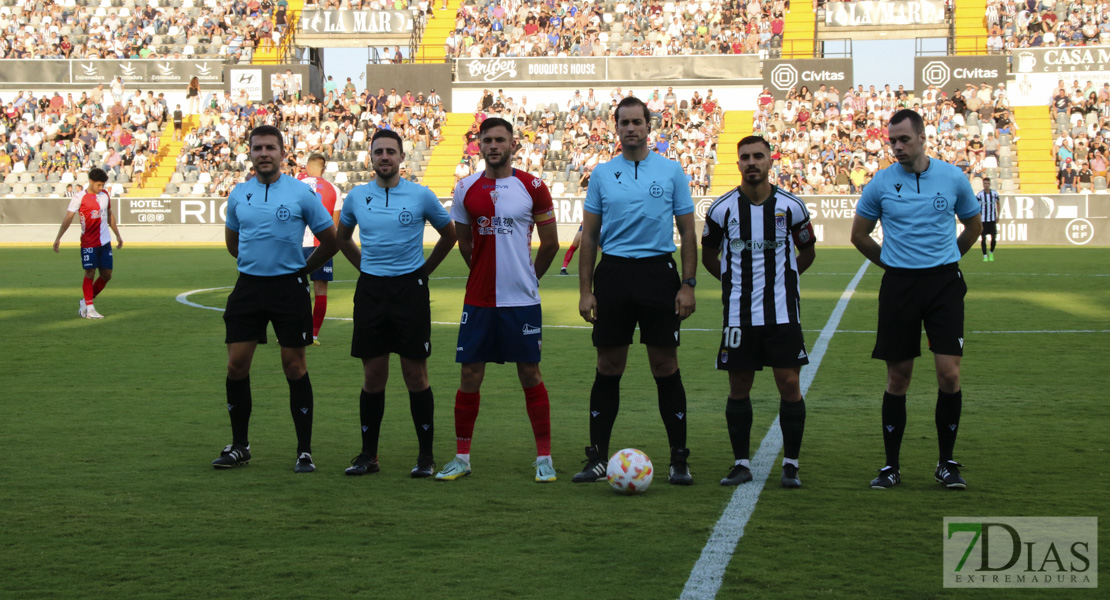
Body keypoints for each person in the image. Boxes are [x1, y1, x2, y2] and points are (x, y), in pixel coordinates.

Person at [850, 109, 982, 491]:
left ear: (923, 138)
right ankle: (891, 466)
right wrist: (891, 263)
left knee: (949, 374)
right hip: (900, 287)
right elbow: (859, 235)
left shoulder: (952, 177)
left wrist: (950, 259)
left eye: (904, 139)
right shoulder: (880, 183)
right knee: (898, 378)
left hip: (943, 285)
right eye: (892, 140)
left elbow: (973, 225)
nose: (897, 147)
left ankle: (946, 463)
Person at [571, 96, 698, 485]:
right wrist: (586, 290)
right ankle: (596, 457)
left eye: (637, 122)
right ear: (617, 128)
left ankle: (679, 458)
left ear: (649, 127)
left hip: (659, 274)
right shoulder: (603, 174)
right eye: (623, 122)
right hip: (614, 275)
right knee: (608, 367)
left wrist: (688, 284)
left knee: (666, 366)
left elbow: (689, 231)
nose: (630, 128)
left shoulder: (672, 170)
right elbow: (589, 236)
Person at [435, 117, 560, 483]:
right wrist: (482, 273)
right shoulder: (465, 188)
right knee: (470, 373)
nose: (493, 145)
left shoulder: (533, 186)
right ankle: (461, 457)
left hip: (521, 300)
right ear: (479, 145)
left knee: (530, 372)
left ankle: (544, 458)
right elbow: (465, 241)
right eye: (486, 140)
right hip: (479, 300)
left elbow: (550, 243)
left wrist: (528, 277)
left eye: (500, 140)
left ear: (512, 145)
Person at [212, 125, 339, 474]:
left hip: (289, 289)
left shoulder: (300, 193)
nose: (264, 153)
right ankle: (240, 446)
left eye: (271, 147)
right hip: (249, 288)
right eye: (258, 148)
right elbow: (233, 243)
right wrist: (255, 264)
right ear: (250, 153)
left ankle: (304, 451)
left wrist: (301, 270)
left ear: (283, 153)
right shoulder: (238, 194)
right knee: (236, 365)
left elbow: (330, 241)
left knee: (295, 366)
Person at [335, 129, 457, 477]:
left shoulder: (420, 195)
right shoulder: (357, 197)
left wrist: (424, 271)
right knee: (373, 377)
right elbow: (342, 238)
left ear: (402, 158)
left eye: (391, 151)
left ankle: (425, 458)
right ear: (370, 158)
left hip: (409, 292)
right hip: (372, 292)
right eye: (379, 152)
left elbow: (449, 234)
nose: (384, 157)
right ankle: (368, 456)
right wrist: (366, 269)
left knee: (415, 375)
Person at [702, 136, 816, 489]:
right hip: (738, 314)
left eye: (758, 157)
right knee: (738, 386)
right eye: (745, 157)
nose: (752, 162)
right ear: (737, 164)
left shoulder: (791, 206)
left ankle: (791, 464)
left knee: (790, 384)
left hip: (782, 313)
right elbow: (708, 254)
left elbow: (807, 251)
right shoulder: (721, 209)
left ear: (770, 161)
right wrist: (732, 281)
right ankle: (741, 463)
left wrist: (786, 278)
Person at [53, 168, 123, 319]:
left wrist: (118, 235)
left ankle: (85, 302)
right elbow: (68, 218)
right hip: (89, 243)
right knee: (90, 273)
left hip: (105, 242)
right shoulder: (79, 197)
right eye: (98, 185)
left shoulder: (104, 195)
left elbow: (109, 215)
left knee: (107, 274)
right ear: (90, 181)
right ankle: (90, 309)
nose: (101, 188)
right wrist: (58, 237)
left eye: (103, 185)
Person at [296, 154, 341, 345]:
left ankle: (296, 332)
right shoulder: (335, 190)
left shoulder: (295, 184)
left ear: (307, 167)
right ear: (324, 168)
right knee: (320, 291)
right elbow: (335, 228)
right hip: (320, 245)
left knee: (296, 290)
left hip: (296, 244)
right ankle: (313, 335)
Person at [976, 177, 1000, 262]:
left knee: (994, 238)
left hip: (992, 219)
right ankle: (985, 255)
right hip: (983, 220)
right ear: (983, 184)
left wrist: (998, 215)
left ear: (990, 184)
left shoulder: (994, 193)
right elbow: (976, 207)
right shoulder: (979, 195)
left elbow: (998, 203)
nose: (986, 185)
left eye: (987, 183)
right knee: (983, 238)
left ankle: (991, 252)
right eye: (985, 183)